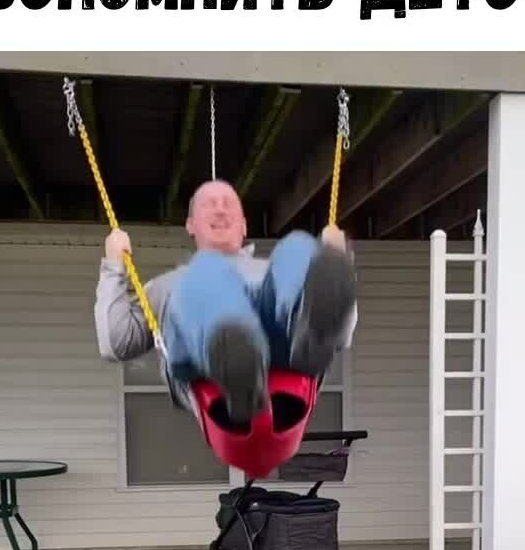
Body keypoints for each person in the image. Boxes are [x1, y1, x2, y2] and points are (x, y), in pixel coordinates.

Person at [94, 181, 358, 432]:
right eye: (209, 203)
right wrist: (114, 265)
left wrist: (335, 259)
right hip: (207, 382)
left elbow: (342, 335)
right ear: (190, 224)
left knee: (295, 252)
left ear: (244, 225)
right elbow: (115, 344)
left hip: (288, 365)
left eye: (228, 203)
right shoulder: (168, 285)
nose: (220, 209)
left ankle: (304, 340)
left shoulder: (274, 273)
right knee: (204, 279)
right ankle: (232, 355)